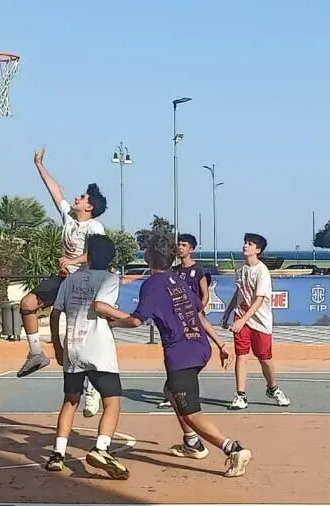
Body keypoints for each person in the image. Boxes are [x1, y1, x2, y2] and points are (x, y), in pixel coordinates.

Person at [101, 237, 252, 478]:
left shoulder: (152, 284)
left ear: (148, 257)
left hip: (182, 353)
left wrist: (113, 323)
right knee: (171, 391)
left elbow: (138, 319)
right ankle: (192, 443)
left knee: (191, 412)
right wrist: (220, 343)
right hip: (200, 347)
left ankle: (233, 449)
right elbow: (199, 315)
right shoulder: (179, 281)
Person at [17, 146, 107, 419]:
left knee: (78, 342)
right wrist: (39, 165)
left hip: (84, 283)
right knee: (27, 304)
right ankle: (36, 353)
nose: (76, 197)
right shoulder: (68, 217)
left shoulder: (94, 228)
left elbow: (97, 254)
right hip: (64, 279)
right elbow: (55, 191)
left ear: (89, 207)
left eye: (82, 196)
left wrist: (73, 261)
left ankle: (92, 391)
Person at [43, 234, 129, 480]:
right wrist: (130, 318)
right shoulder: (111, 278)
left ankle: (58, 454)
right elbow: (105, 309)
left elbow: (55, 314)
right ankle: (101, 447)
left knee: (70, 401)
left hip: (73, 346)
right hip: (99, 347)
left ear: (88, 255)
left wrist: (58, 347)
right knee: (112, 401)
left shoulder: (71, 280)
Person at [221, 233, 290, 410]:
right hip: (241, 317)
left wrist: (243, 320)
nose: (245, 246)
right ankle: (240, 395)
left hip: (260, 321)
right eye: (245, 242)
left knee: (265, 358)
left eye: (250, 244)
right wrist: (228, 313)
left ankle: (273, 388)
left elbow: (259, 299)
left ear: (257, 250)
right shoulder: (242, 269)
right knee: (241, 356)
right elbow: (240, 293)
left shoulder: (262, 271)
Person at [153, 233, 214, 409]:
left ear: (191, 249)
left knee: (190, 354)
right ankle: (172, 391)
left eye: (184, 245)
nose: (180, 247)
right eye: (179, 244)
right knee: (175, 352)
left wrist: (197, 311)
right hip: (178, 318)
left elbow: (205, 293)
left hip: (193, 317)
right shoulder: (175, 271)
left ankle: (183, 391)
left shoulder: (199, 271)